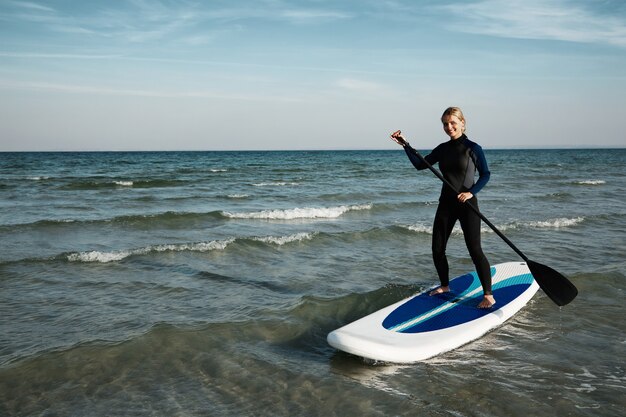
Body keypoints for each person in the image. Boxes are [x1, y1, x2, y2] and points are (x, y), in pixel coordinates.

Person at [390, 107, 495, 309]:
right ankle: (445, 286)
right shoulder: (442, 148)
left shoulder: (473, 148)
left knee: (475, 250)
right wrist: (406, 145)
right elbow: (421, 165)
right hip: (446, 203)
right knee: (437, 249)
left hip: (467, 204)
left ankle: (488, 295)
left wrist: (471, 192)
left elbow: (486, 174)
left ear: (462, 123)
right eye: (445, 124)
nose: (449, 127)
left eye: (453, 123)